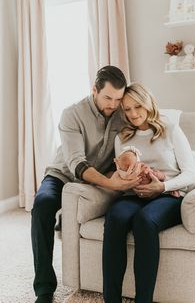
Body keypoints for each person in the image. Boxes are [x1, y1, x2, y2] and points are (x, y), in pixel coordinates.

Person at [31, 66, 140, 303]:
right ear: (94, 90)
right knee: (42, 206)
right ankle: (44, 289)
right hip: (64, 173)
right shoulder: (72, 114)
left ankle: (65, 217)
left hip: (95, 179)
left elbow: (130, 147)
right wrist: (112, 185)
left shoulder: (122, 115)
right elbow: (76, 165)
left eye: (118, 99)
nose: (113, 104)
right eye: (107, 97)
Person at [102, 82, 195, 303]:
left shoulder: (170, 130)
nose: (133, 113)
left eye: (137, 106)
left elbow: (192, 172)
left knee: (144, 221)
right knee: (115, 217)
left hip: (169, 195)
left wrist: (162, 186)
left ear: (148, 103)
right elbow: (122, 173)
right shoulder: (122, 138)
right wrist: (126, 182)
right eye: (127, 109)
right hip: (134, 195)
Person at [114, 147, 180, 197]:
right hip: (138, 195)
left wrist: (165, 185)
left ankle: (172, 190)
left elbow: (155, 175)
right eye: (126, 169)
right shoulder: (126, 175)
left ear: (138, 162)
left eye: (132, 166)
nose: (130, 170)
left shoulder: (145, 169)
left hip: (157, 189)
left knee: (158, 175)